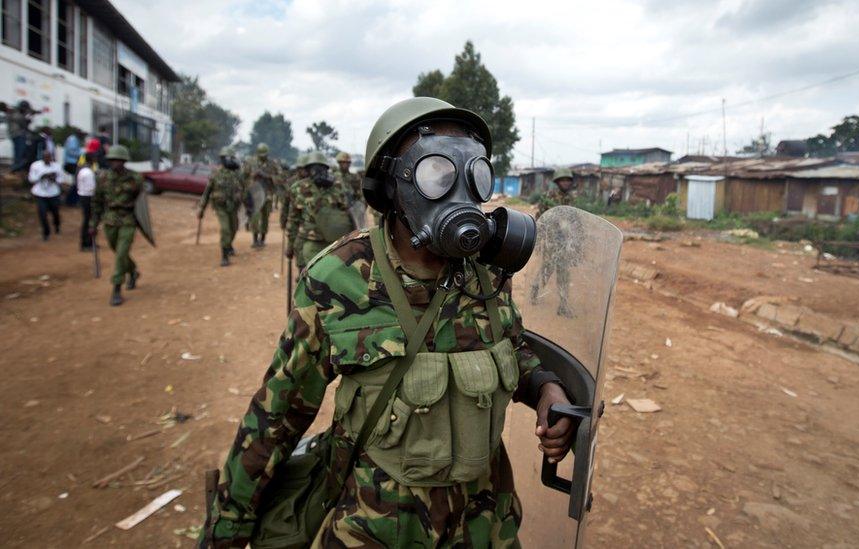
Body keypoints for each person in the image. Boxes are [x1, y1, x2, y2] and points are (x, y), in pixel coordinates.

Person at [201, 97, 573, 548]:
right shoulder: (337, 277)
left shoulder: (488, 272)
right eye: (436, 174)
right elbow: (276, 415)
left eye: (473, 174)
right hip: (377, 529)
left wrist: (545, 387)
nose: (459, 194)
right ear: (390, 186)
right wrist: (229, 525)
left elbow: (510, 347)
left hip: (484, 526)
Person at [91, 145, 144, 306]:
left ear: (124, 161)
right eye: (112, 160)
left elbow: (140, 202)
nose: (115, 163)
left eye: (119, 160)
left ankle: (116, 288)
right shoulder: (103, 178)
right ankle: (133, 271)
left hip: (127, 219)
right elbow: (97, 202)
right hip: (110, 219)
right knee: (118, 251)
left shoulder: (135, 178)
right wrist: (93, 224)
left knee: (121, 253)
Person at [284, 151, 349, 274]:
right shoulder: (298, 188)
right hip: (310, 241)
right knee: (309, 277)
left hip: (334, 242)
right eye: (313, 168)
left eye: (320, 168)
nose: (317, 171)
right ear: (308, 170)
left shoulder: (337, 186)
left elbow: (346, 214)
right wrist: (291, 245)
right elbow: (293, 220)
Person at [531, 168, 581, 318]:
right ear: (557, 181)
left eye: (568, 180)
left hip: (565, 243)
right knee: (547, 269)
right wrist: (540, 240)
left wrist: (578, 240)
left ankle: (563, 305)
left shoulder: (571, 199)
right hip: (551, 242)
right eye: (563, 180)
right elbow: (541, 218)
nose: (566, 182)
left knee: (564, 273)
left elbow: (575, 220)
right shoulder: (549, 197)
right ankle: (535, 288)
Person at [198, 147, 246, 267]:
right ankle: (224, 256)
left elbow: (244, 190)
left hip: (233, 207)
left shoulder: (238, 174)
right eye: (228, 158)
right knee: (225, 229)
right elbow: (207, 192)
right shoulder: (216, 174)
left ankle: (228, 245)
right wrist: (201, 208)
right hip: (221, 207)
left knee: (234, 228)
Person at [242, 142, 281, 249]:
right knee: (255, 217)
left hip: (268, 195)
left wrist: (266, 176)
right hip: (255, 195)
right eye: (261, 155)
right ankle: (255, 239)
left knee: (265, 218)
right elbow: (243, 176)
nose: (263, 157)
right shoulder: (250, 162)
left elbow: (280, 178)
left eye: (265, 155)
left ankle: (262, 239)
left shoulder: (272, 164)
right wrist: (252, 175)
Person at [28, 151, 65, 240]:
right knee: (42, 213)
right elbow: (31, 179)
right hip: (40, 193)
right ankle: (46, 233)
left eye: (49, 157)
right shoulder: (35, 165)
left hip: (53, 193)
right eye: (45, 157)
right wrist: (42, 176)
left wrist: (54, 178)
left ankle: (57, 225)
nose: (47, 159)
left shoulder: (56, 166)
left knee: (55, 212)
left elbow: (61, 179)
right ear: (43, 157)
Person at [279, 153, 309, 258]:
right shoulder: (291, 182)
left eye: (305, 168)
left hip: (308, 219)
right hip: (295, 217)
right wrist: (283, 220)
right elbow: (285, 204)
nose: (303, 171)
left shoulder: (313, 182)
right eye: (301, 169)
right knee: (294, 242)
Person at [8, 101, 38, 172]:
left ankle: (18, 168)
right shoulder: (16, 114)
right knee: (20, 153)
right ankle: (17, 168)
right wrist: (29, 116)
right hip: (18, 135)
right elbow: (23, 123)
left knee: (20, 152)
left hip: (17, 135)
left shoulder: (17, 114)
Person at [76, 155, 97, 250]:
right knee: (88, 221)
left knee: (87, 220)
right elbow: (91, 188)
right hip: (88, 197)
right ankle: (86, 243)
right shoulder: (88, 172)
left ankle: (88, 242)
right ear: (92, 160)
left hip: (83, 196)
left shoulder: (82, 170)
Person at [63, 130, 83, 206]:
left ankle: (72, 201)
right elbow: (71, 151)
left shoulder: (74, 139)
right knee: (77, 183)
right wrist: (81, 153)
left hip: (72, 163)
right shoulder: (73, 139)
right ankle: (70, 201)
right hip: (71, 163)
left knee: (76, 182)